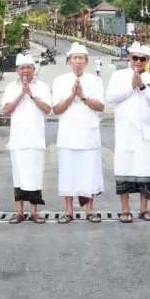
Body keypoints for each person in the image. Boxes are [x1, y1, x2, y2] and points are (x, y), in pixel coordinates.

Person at [106, 41, 150, 223]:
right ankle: (125, 209)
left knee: (145, 170)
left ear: (147, 60)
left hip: (145, 134)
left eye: (142, 58)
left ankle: (144, 209)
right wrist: (131, 87)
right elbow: (111, 97)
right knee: (125, 168)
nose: (138, 61)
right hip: (125, 132)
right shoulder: (118, 75)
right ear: (129, 58)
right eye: (135, 58)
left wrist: (143, 87)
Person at [52, 42, 106, 223]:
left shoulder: (95, 81)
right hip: (68, 135)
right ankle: (68, 210)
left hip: (89, 135)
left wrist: (82, 96)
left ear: (86, 61)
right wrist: (71, 96)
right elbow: (56, 110)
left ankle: (90, 210)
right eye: (74, 58)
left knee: (89, 173)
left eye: (81, 58)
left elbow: (100, 106)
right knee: (68, 172)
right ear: (69, 61)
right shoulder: (60, 81)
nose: (77, 62)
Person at [1, 53, 52, 224]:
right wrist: (21, 94)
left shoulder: (43, 86)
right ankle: (19, 212)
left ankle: (34, 212)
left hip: (36, 139)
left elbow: (46, 109)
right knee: (19, 175)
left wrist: (30, 94)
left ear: (33, 69)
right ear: (17, 70)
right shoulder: (10, 87)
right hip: (18, 140)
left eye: (28, 67)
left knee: (35, 176)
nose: (25, 71)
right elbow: (6, 110)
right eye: (22, 68)